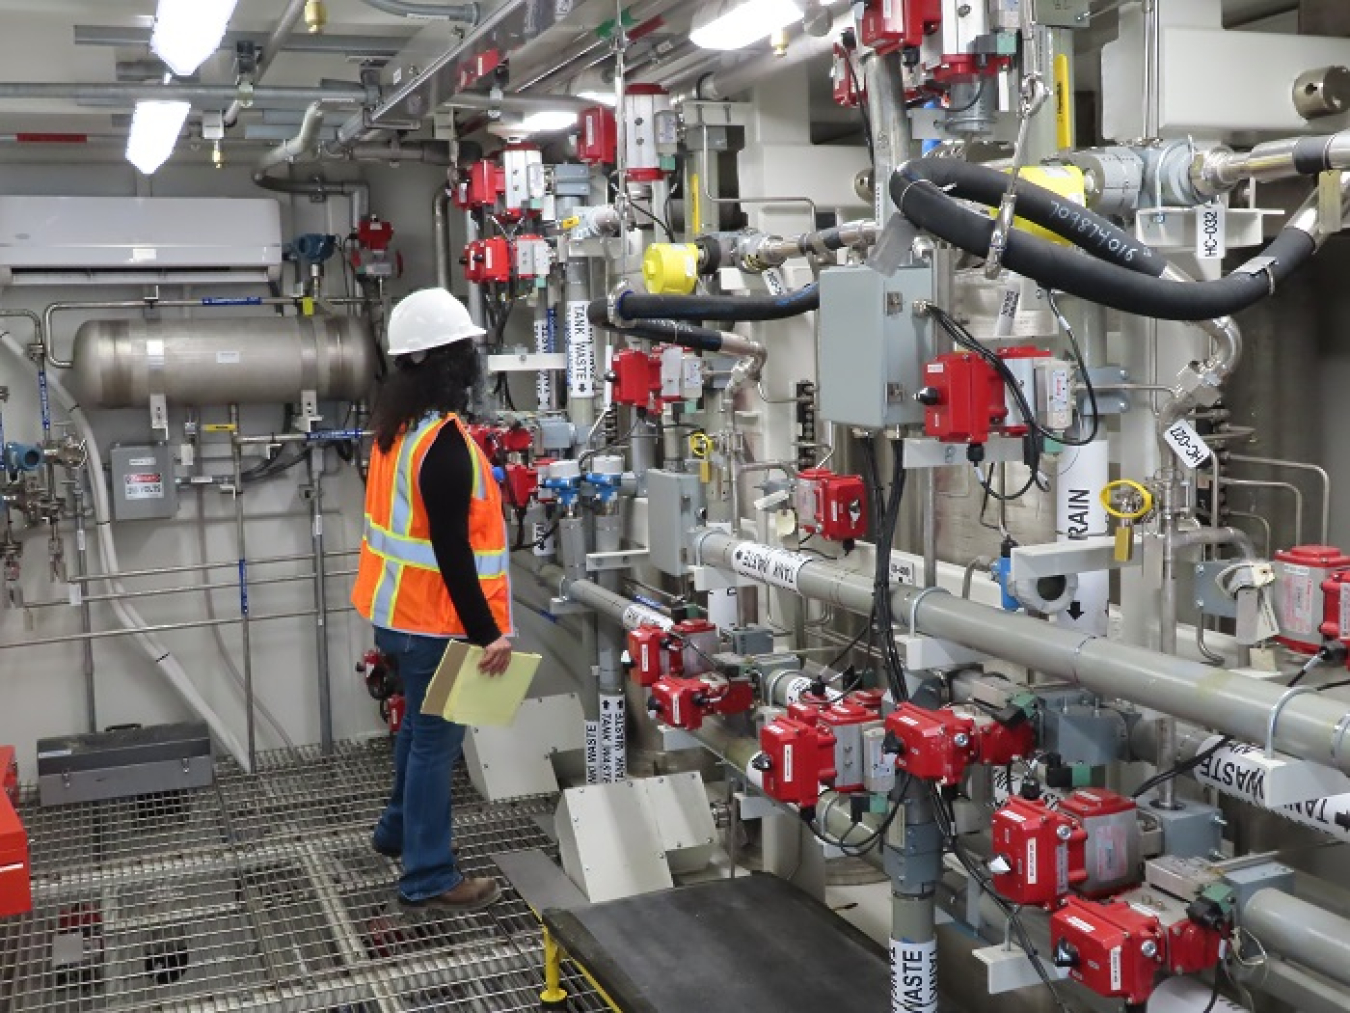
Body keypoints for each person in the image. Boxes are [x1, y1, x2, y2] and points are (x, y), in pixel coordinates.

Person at [352, 287, 513, 912]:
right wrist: (487, 634)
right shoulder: (442, 446)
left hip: (395, 616)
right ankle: (429, 876)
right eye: (466, 350)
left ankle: (395, 833)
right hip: (434, 625)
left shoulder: (396, 433)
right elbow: (451, 554)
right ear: (447, 362)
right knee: (434, 748)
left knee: (418, 734)